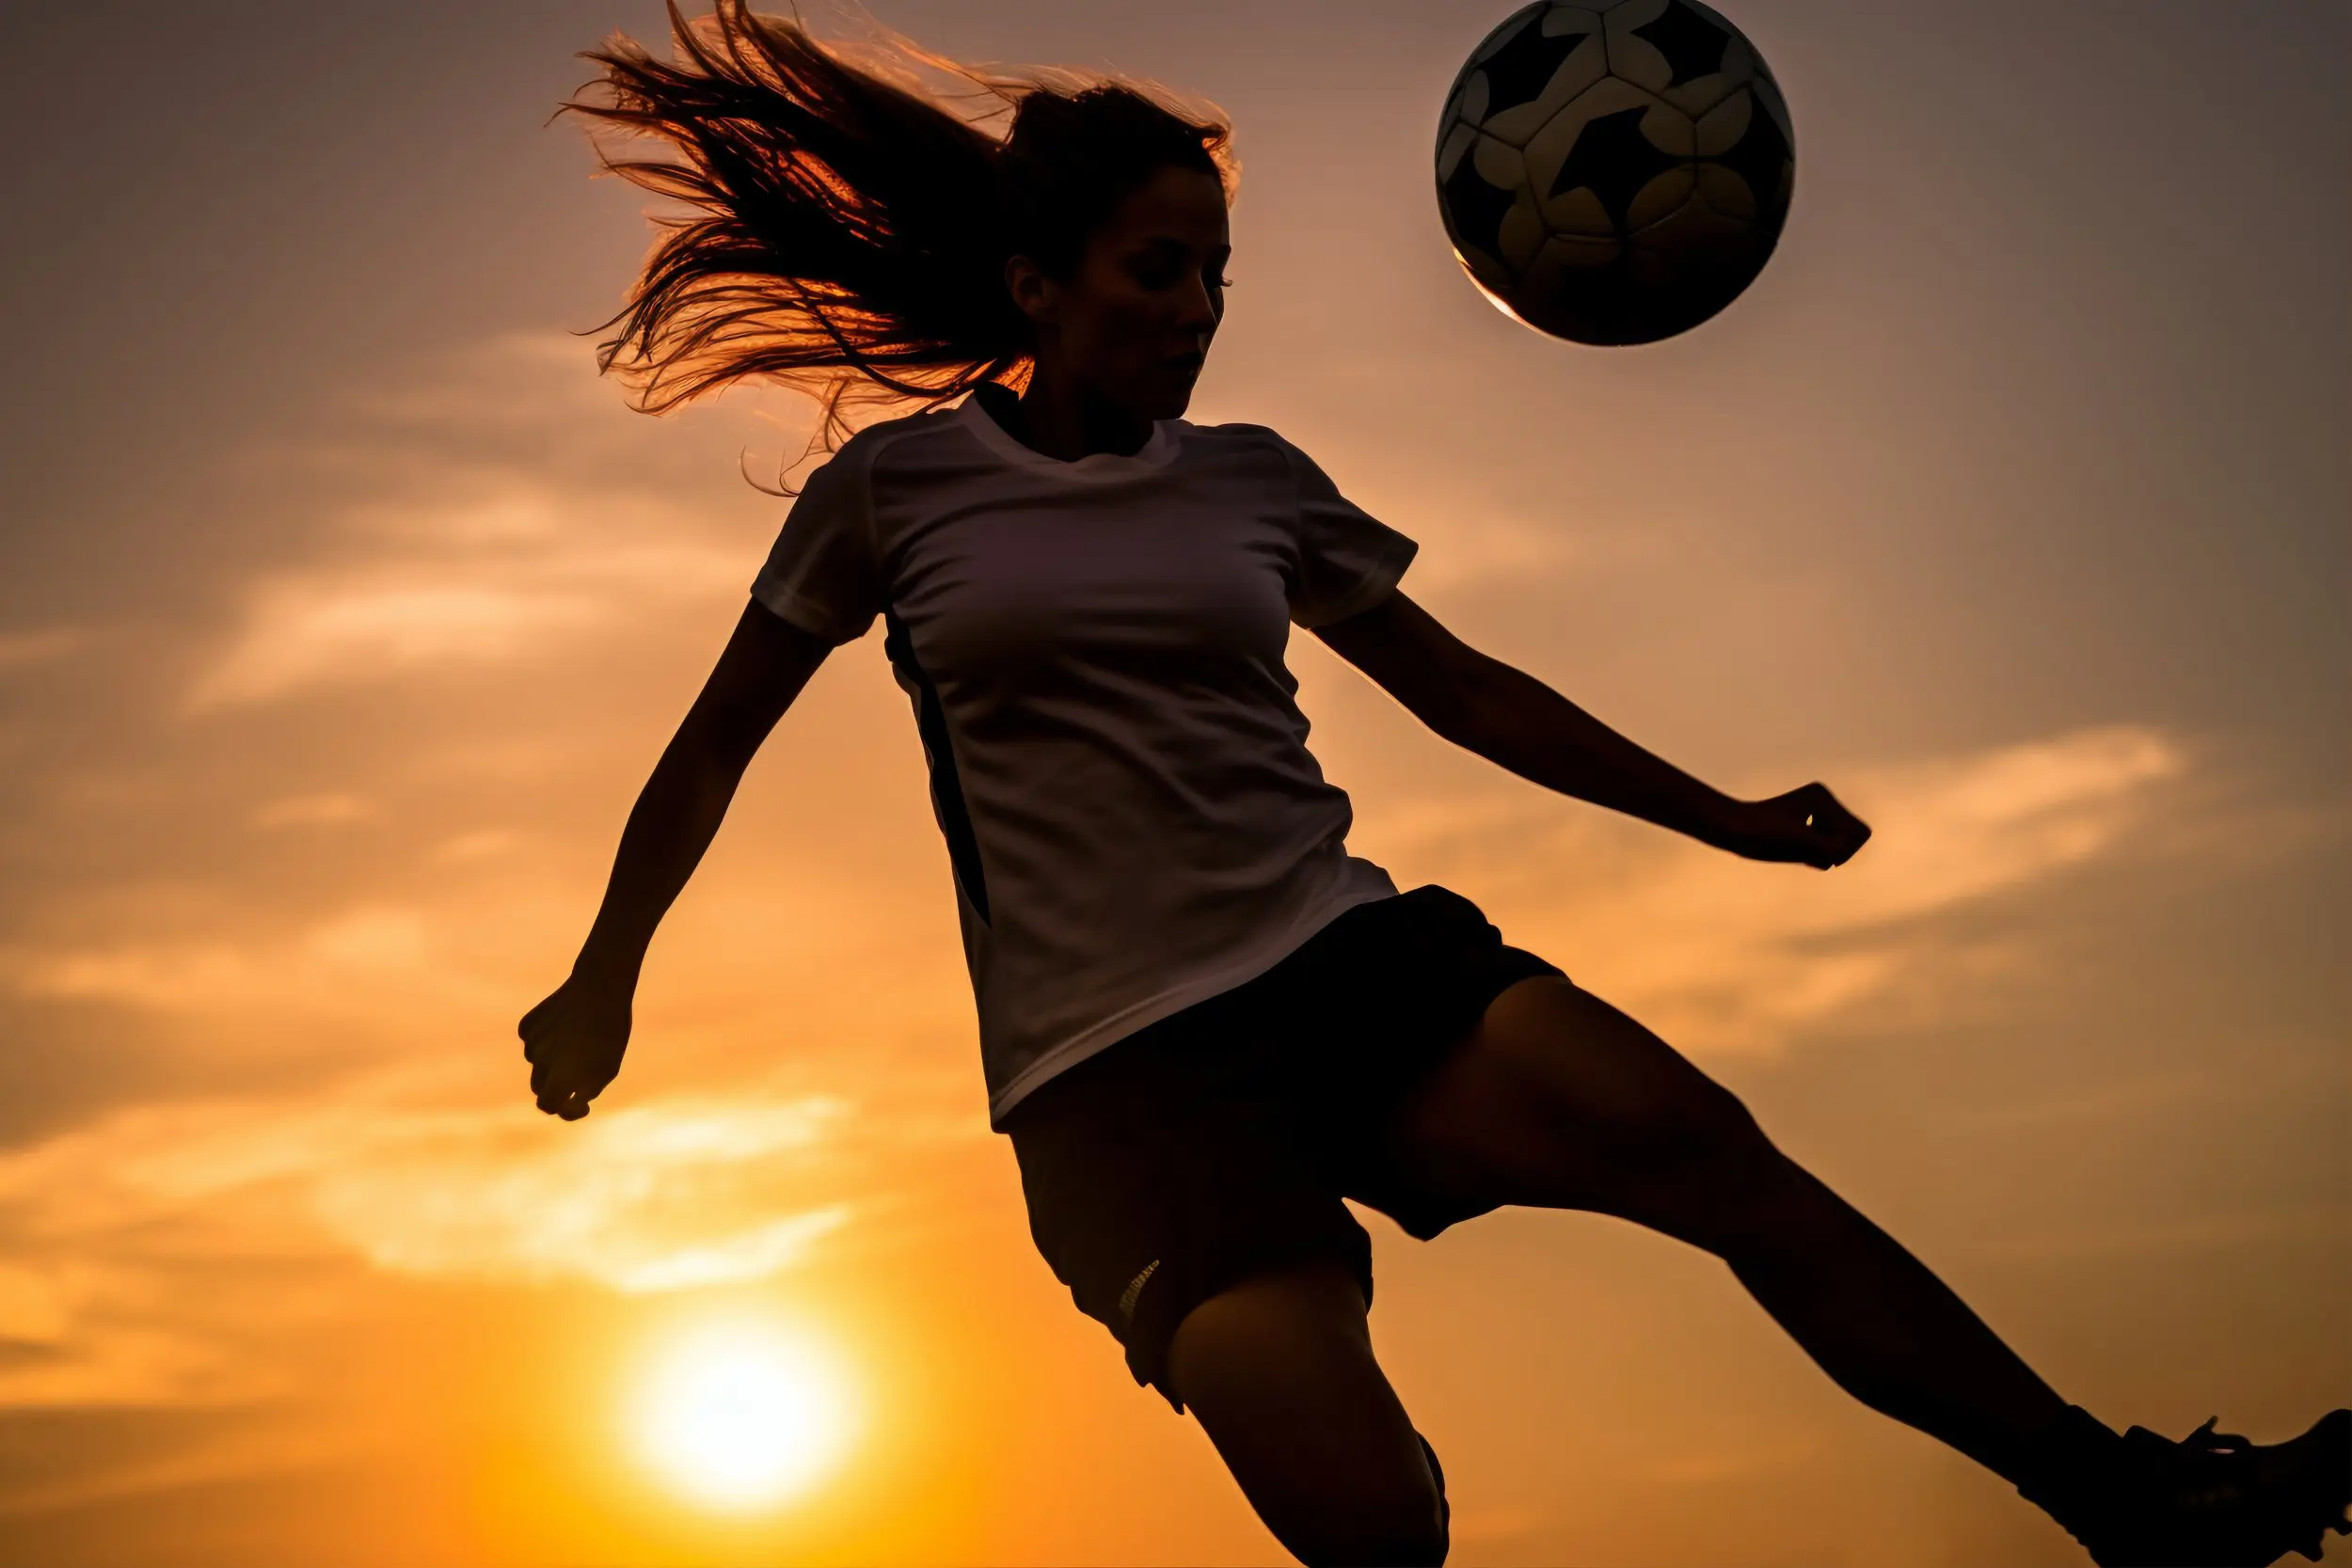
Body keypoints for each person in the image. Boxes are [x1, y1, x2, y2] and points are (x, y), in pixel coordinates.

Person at [517, 6, 2350, 1564]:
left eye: (1214, 277)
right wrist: (608, 968)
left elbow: (1460, 684)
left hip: (1346, 968)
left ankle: (2126, 1500)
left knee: (1716, 1154)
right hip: (1119, 1089)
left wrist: (1715, 810)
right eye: (1158, 271)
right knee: (1376, 1527)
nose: (1194, 310)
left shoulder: (1252, 481)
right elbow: (711, 744)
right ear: (1037, 283)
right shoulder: (894, 499)